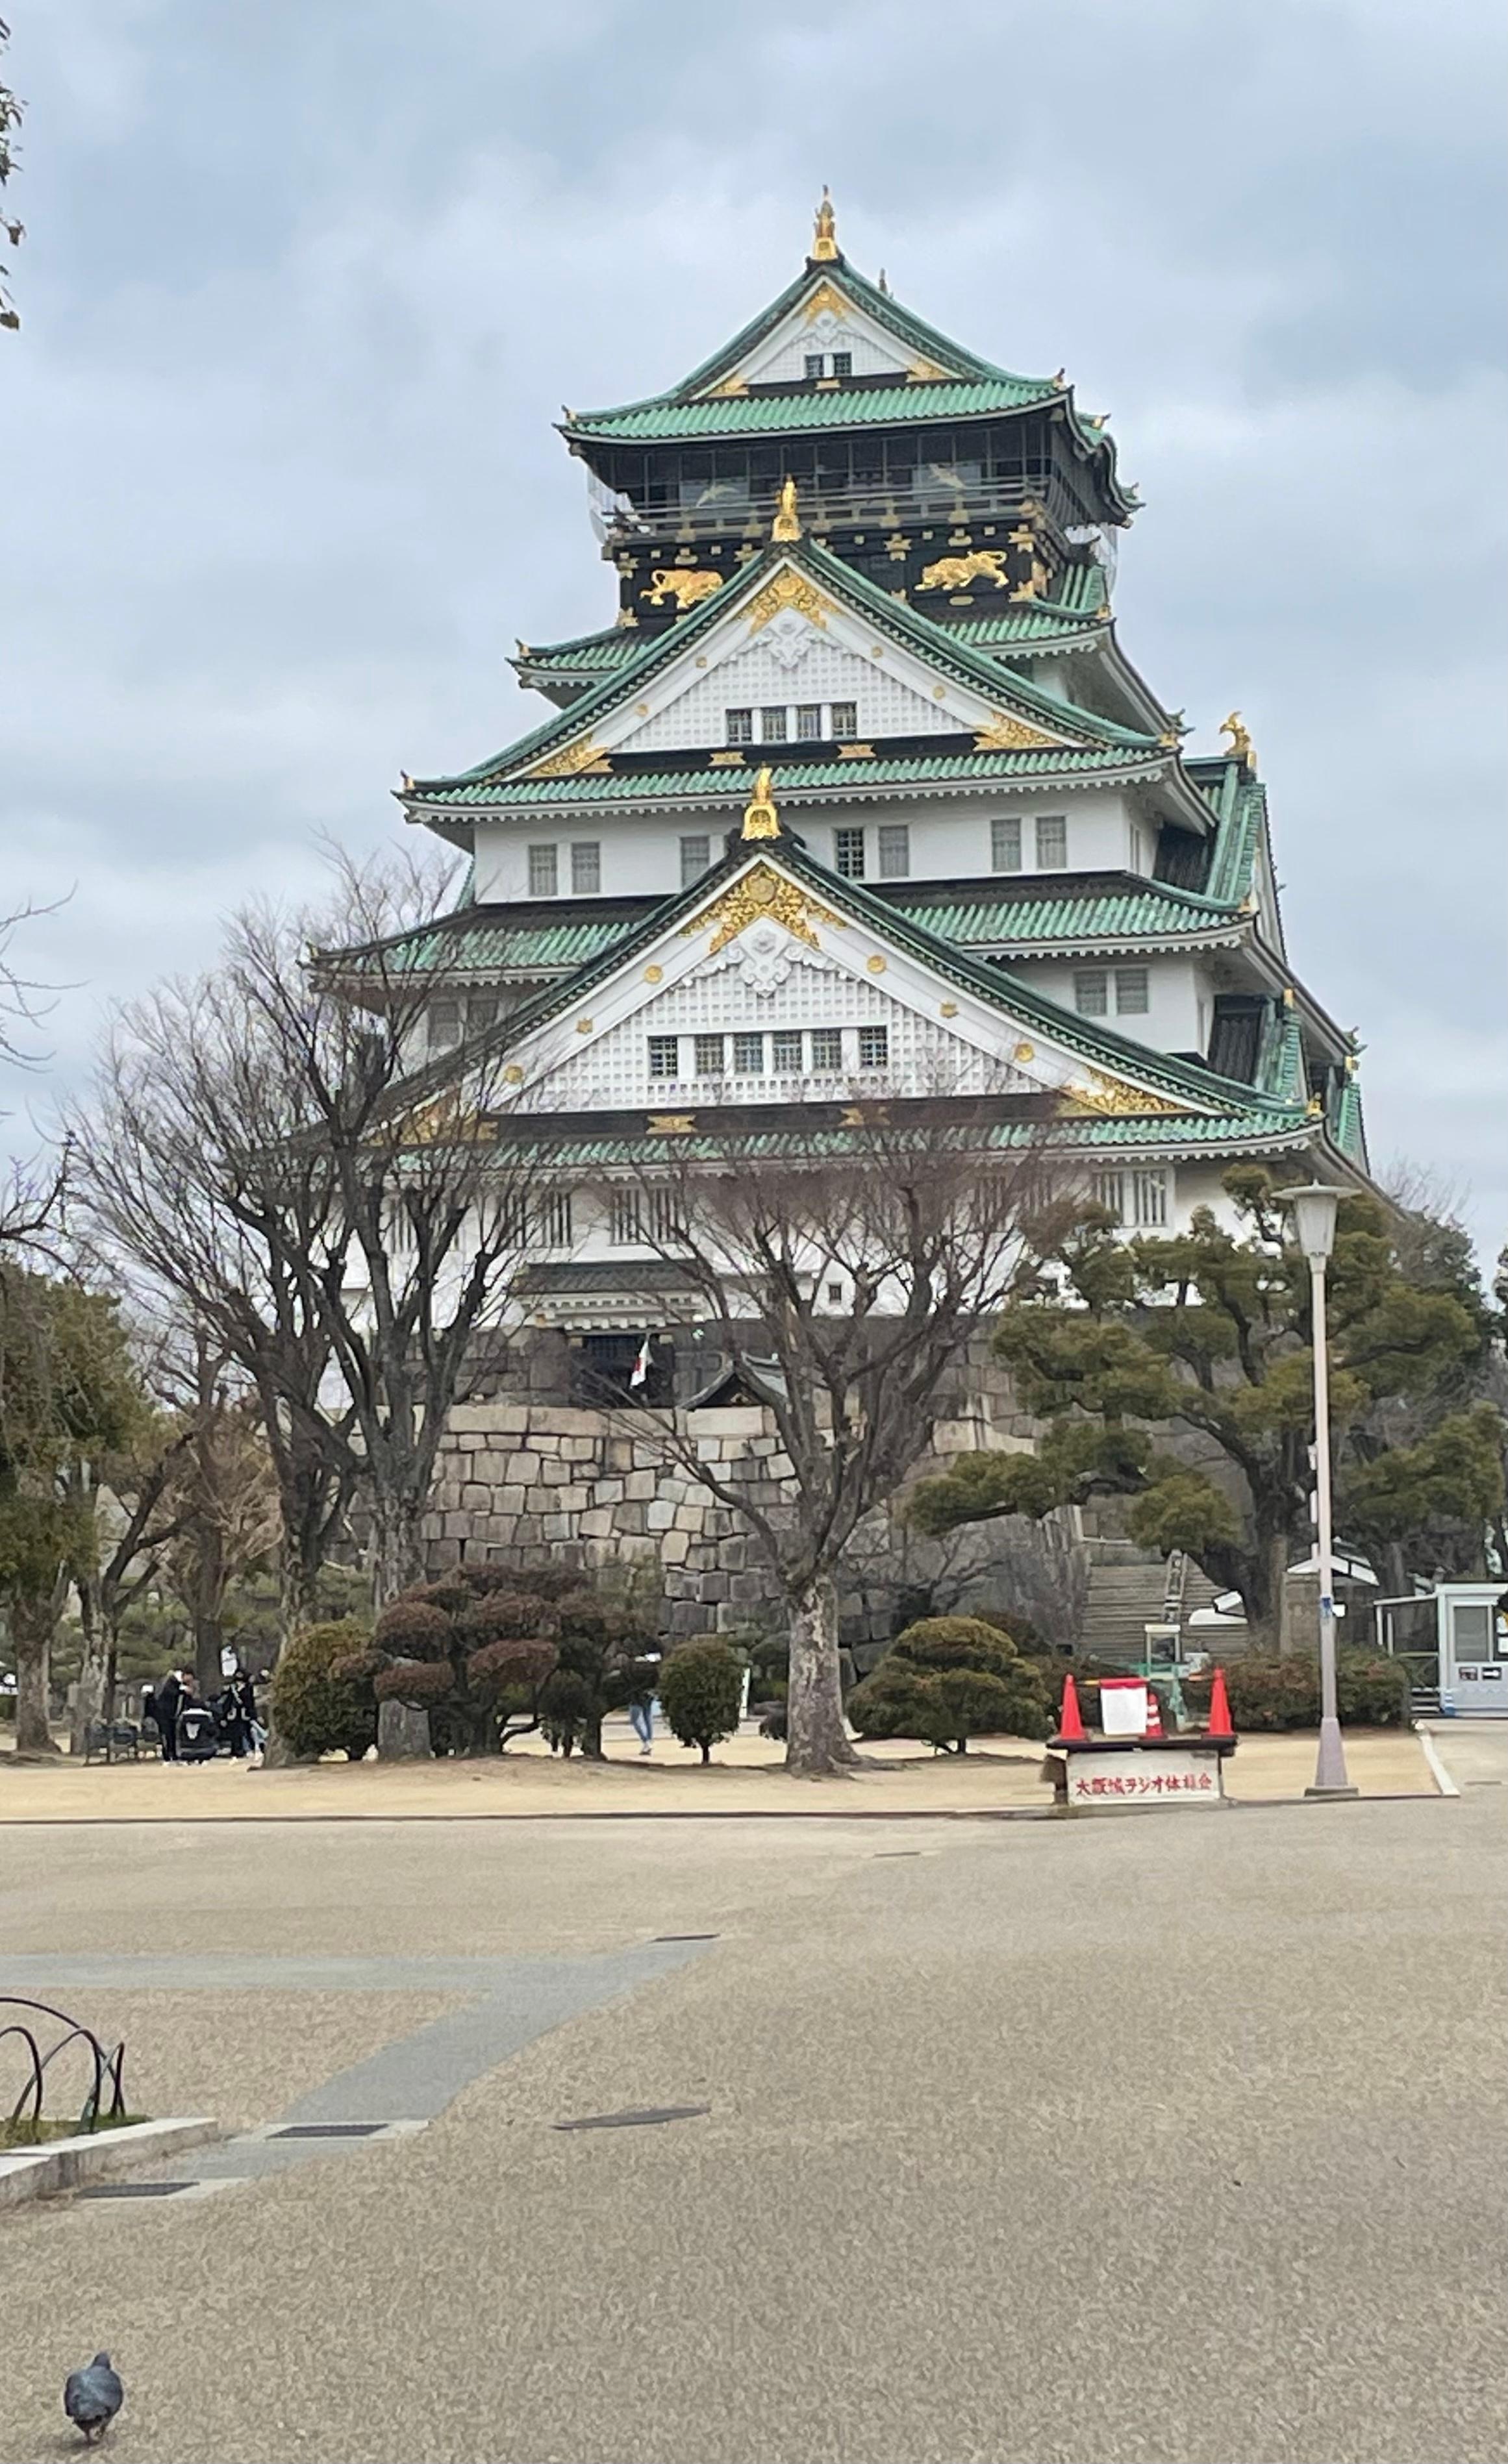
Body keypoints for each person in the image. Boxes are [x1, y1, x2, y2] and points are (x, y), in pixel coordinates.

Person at [153, 1668, 183, 1762]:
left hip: (170, 1714)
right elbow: (173, 1693)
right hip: (164, 1714)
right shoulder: (169, 1685)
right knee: (167, 1734)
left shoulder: (171, 1684)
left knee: (172, 1735)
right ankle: (167, 1754)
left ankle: (172, 1754)